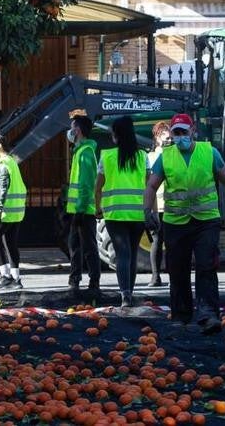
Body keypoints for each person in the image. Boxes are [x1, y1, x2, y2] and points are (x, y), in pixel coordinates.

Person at [144, 113, 225, 334]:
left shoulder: (209, 152)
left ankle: (208, 315)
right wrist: (147, 211)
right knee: (177, 270)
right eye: (176, 133)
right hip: (176, 223)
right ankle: (180, 315)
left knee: (206, 266)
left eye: (183, 132)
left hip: (206, 222)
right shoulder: (165, 157)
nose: (179, 137)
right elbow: (151, 186)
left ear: (193, 130)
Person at [96, 115, 147, 307]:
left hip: (115, 214)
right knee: (132, 255)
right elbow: (148, 185)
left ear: (116, 135)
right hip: (137, 214)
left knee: (122, 254)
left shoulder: (107, 156)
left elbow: (98, 186)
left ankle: (125, 295)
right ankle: (130, 293)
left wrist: (97, 208)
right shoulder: (142, 156)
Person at [0, 128, 26, 289]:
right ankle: (16, 279)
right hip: (16, 212)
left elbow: (3, 191)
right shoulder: (12, 162)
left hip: (5, 212)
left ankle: (5, 275)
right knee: (10, 243)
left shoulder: (2, 165)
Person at [66, 115, 101, 298]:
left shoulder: (85, 152)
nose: (70, 132)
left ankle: (93, 283)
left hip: (84, 210)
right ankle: (75, 280)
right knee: (76, 247)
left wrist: (79, 210)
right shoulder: (81, 150)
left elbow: (86, 184)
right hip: (79, 209)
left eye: (72, 127)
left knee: (87, 247)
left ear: (78, 130)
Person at [146, 121, 171, 287]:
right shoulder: (155, 157)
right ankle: (156, 277)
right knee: (160, 241)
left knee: (163, 242)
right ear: (157, 137)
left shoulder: (150, 156)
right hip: (161, 206)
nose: (168, 138)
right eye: (164, 135)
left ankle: (157, 277)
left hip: (167, 206)